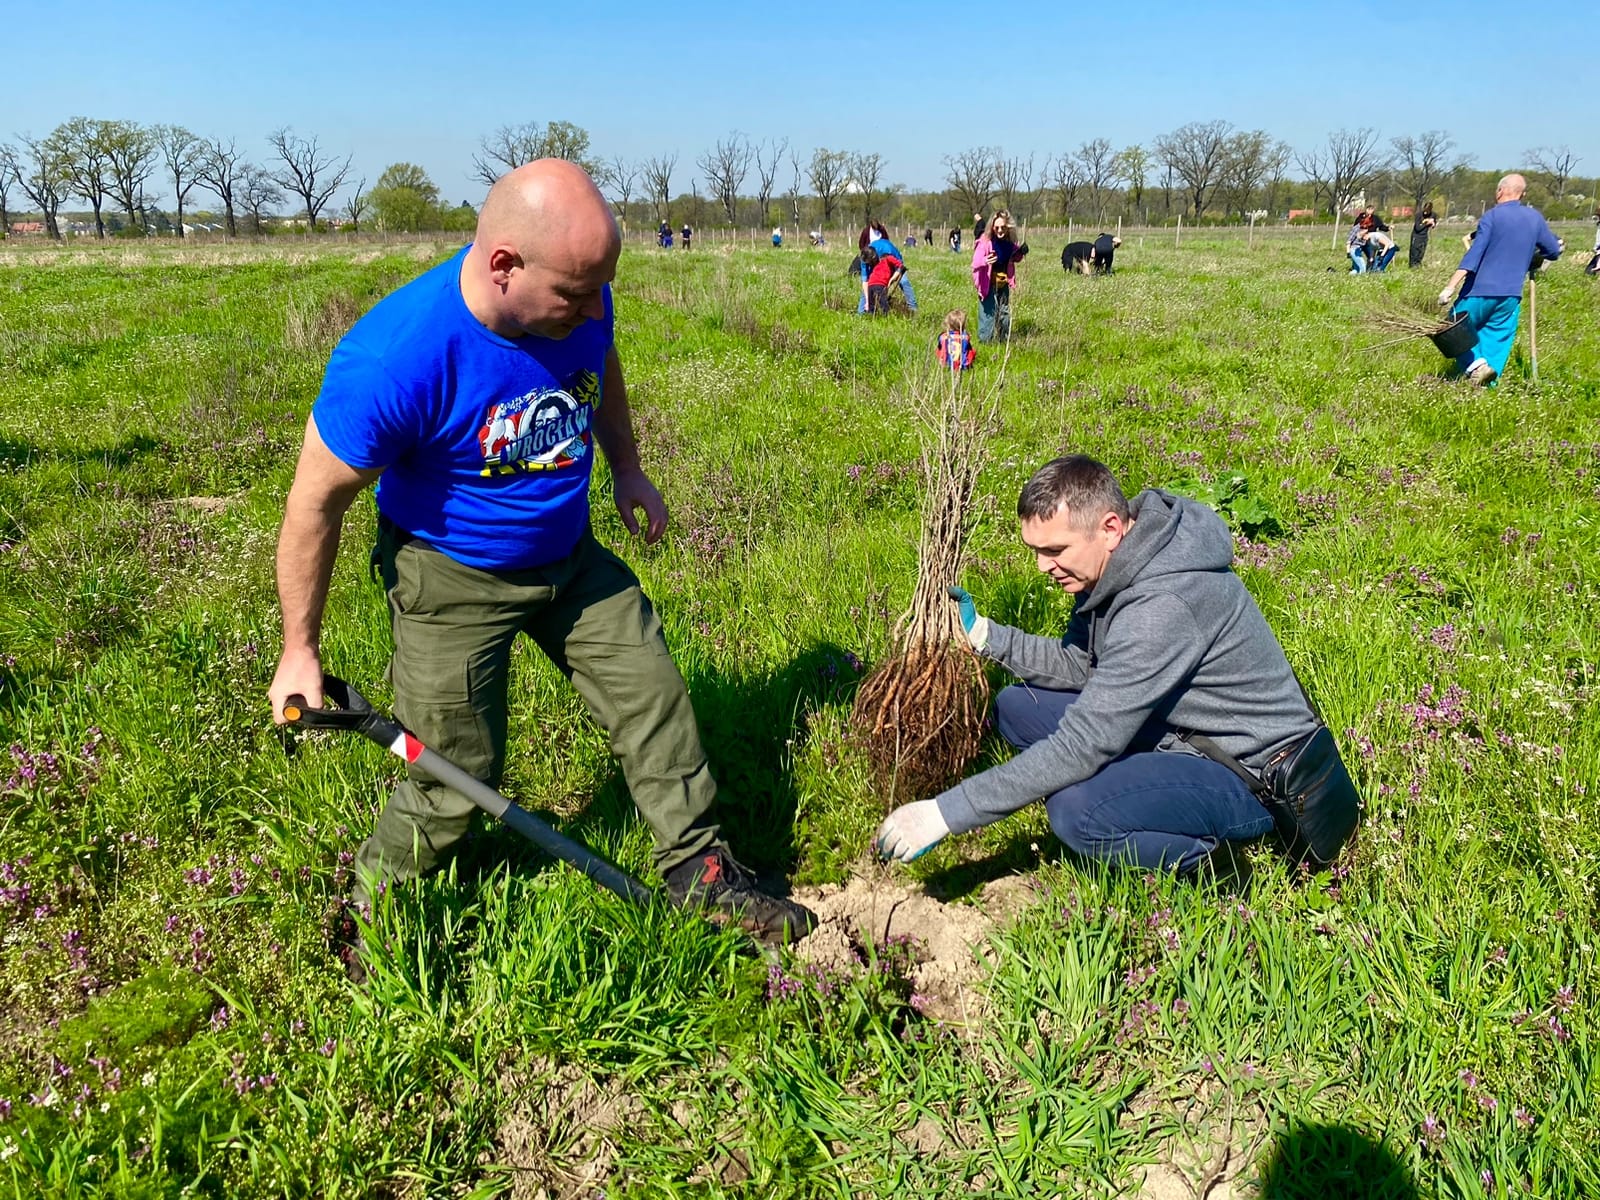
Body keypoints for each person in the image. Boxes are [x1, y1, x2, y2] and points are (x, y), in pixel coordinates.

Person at [267, 160, 816, 966]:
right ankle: (372, 912)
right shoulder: (396, 358)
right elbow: (314, 503)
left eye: (602, 289)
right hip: (450, 577)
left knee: (654, 698)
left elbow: (603, 363)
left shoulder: (580, 298)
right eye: (575, 293)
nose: (594, 308)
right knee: (457, 770)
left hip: (569, 558)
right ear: (504, 267)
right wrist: (298, 650)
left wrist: (626, 466)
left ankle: (700, 874)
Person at [875, 455, 1354, 875]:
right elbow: (1084, 665)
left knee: (1076, 811)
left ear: (1109, 528)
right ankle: (1133, 789)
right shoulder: (1113, 567)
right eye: (1035, 551)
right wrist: (986, 636)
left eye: (1054, 550)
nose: (1043, 566)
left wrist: (944, 813)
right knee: (1017, 707)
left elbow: (1084, 743)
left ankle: (1204, 863)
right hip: (1176, 727)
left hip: (1246, 772)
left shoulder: (1163, 605)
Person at [1436, 173, 1562, 387]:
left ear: (1500, 191)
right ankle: (1485, 388)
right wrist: (1535, 254)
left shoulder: (1492, 217)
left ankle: (1476, 366)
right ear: (1522, 194)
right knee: (1495, 338)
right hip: (1511, 295)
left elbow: (1474, 254)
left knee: (1451, 328)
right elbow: (1553, 251)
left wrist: (1450, 286)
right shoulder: (1535, 218)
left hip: (1479, 290)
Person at [971, 210, 1027, 343]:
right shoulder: (985, 241)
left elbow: (1014, 258)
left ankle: (1004, 341)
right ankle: (985, 343)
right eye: (997, 228)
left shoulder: (1010, 243)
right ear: (992, 227)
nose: (1000, 230)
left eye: (1003, 227)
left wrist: (1021, 252)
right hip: (987, 285)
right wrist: (986, 260)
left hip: (1002, 284)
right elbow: (975, 263)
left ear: (1008, 227)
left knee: (1004, 314)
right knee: (988, 315)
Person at [857, 221, 917, 314]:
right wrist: (868, 301)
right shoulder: (864, 258)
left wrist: (891, 280)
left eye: (871, 263)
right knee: (871, 285)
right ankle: (861, 313)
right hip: (879, 269)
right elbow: (865, 281)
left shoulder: (888, 249)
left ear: (875, 257)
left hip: (894, 265)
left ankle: (913, 309)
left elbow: (900, 268)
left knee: (904, 282)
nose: (869, 265)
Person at [862, 246, 904, 314]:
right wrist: (893, 278)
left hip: (870, 284)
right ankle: (887, 317)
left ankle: (871, 318)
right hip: (880, 284)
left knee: (871, 306)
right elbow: (899, 265)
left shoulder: (877, 264)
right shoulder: (888, 258)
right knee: (883, 303)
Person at [1408, 203, 1437, 268]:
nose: (1426, 212)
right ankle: (1412, 265)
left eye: (1427, 211)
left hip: (1424, 235)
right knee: (1414, 251)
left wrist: (1433, 224)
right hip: (1416, 235)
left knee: (1421, 251)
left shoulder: (1433, 215)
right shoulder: (1418, 215)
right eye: (1425, 210)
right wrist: (1426, 223)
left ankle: (1418, 264)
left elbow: (1434, 224)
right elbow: (1418, 228)